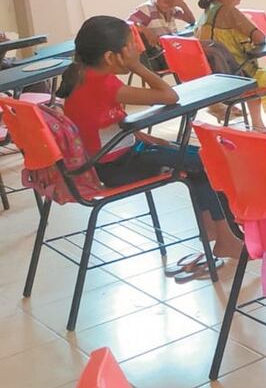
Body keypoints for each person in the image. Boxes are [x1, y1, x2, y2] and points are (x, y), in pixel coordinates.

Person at [58, 15, 242, 281]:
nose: (137, 50)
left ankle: (214, 233)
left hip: (108, 162)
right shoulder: (106, 85)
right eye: (130, 47)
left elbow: (99, 124)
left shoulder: (80, 77)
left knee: (197, 161)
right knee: (207, 161)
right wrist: (137, 66)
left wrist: (144, 137)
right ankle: (223, 236)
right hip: (118, 167)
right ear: (112, 57)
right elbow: (170, 96)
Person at [194, 0, 266, 133]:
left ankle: (258, 124)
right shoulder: (228, 11)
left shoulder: (205, 14)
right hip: (238, 76)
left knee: (255, 73)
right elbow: (259, 38)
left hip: (217, 77)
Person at [127, 0, 195, 71]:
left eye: (174, 2)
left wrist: (182, 4)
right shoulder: (148, 8)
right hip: (156, 56)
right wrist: (145, 30)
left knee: (203, 52)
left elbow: (191, 20)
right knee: (197, 57)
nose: (170, 4)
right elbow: (127, 25)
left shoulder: (172, 10)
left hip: (169, 51)